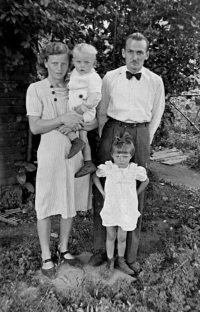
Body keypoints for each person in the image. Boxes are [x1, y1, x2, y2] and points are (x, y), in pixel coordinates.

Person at [89, 32, 165, 273]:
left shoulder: (155, 81)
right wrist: (105, 136)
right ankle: (103, 249)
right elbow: (102, 111)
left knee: (135, 193)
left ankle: (129, 256)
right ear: (123, 53)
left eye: (139, 52)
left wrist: (144, 140)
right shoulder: (110, 77)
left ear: (146, 54)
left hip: (140, 132)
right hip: (113, 129)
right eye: (130, 51)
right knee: (105, 185)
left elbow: (157, 115)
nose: (135, 56)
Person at [26, 42, 97, 279]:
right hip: (50, 153)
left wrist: (87, 122)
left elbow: (91, 120)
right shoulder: (36, 89)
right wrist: (63, 119)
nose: (59, 68)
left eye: (64, 63)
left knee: (69, 200)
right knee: (45, 203)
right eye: (54, 63)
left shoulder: (75, 86)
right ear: (45, 62)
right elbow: (35, 127)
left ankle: (64, 248)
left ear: (70, 64)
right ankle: (47, 254)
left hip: (73, 154)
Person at [92, 132, 149, 276]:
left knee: (122, 237)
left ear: (131, 156)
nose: (121, 159)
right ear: (112, 155)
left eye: (125, 156)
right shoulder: (109, 168)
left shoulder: (134, 170)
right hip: (112, 207)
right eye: (117, 156)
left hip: (127, 209)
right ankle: (110, 260)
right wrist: (103, 193)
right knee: (110, 235)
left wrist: (135, 193)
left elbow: (145, 180)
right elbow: (95, 176)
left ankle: (121, 260)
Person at [62, 43, 102, 178]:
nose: (82, 66)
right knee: (83, 135)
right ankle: (88, 161)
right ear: (73, 61)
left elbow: (95, 97)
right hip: (77, 108)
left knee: (62, 122)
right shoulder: (74, 73)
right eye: (78, 62)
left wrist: (81, 109)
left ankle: (75, 141)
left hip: (84, 111)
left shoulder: (93, 77)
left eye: (87, 62)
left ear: (94, 63)